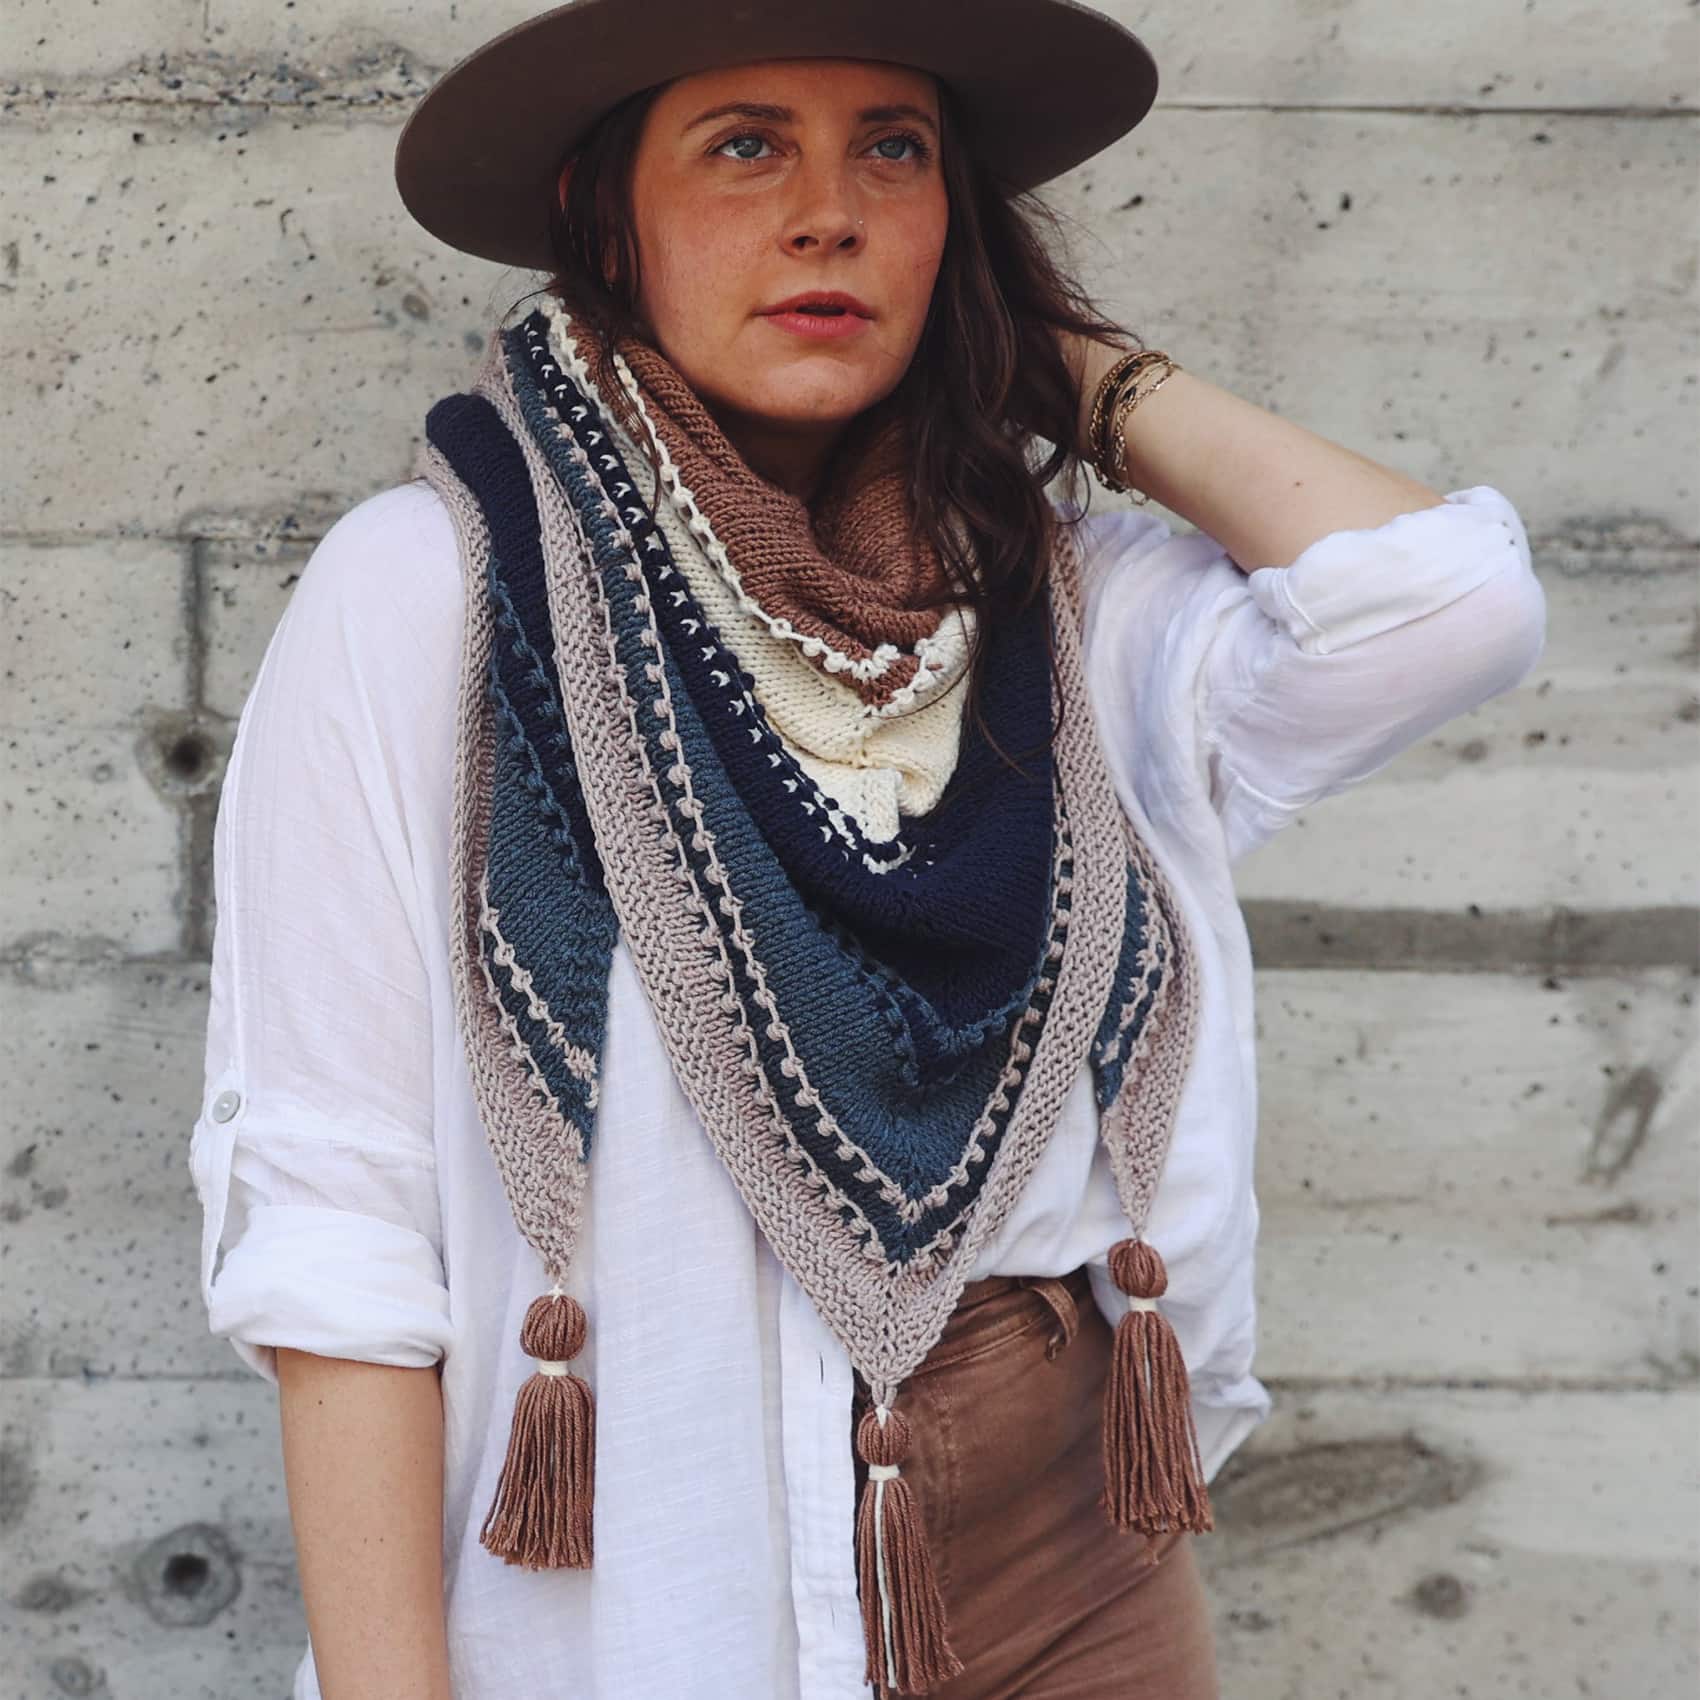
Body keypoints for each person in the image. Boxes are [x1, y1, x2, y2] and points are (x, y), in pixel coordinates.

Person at [185, 4, 1549, 1697]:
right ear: (604, 212)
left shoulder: (1065, 602)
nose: (828, 214)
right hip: (685, 1549)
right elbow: (336, 1221)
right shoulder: (432, 597)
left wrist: (1056, 363)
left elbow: (1444, 608)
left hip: (1072, 1544)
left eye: (892, 152)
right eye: (745, 145)